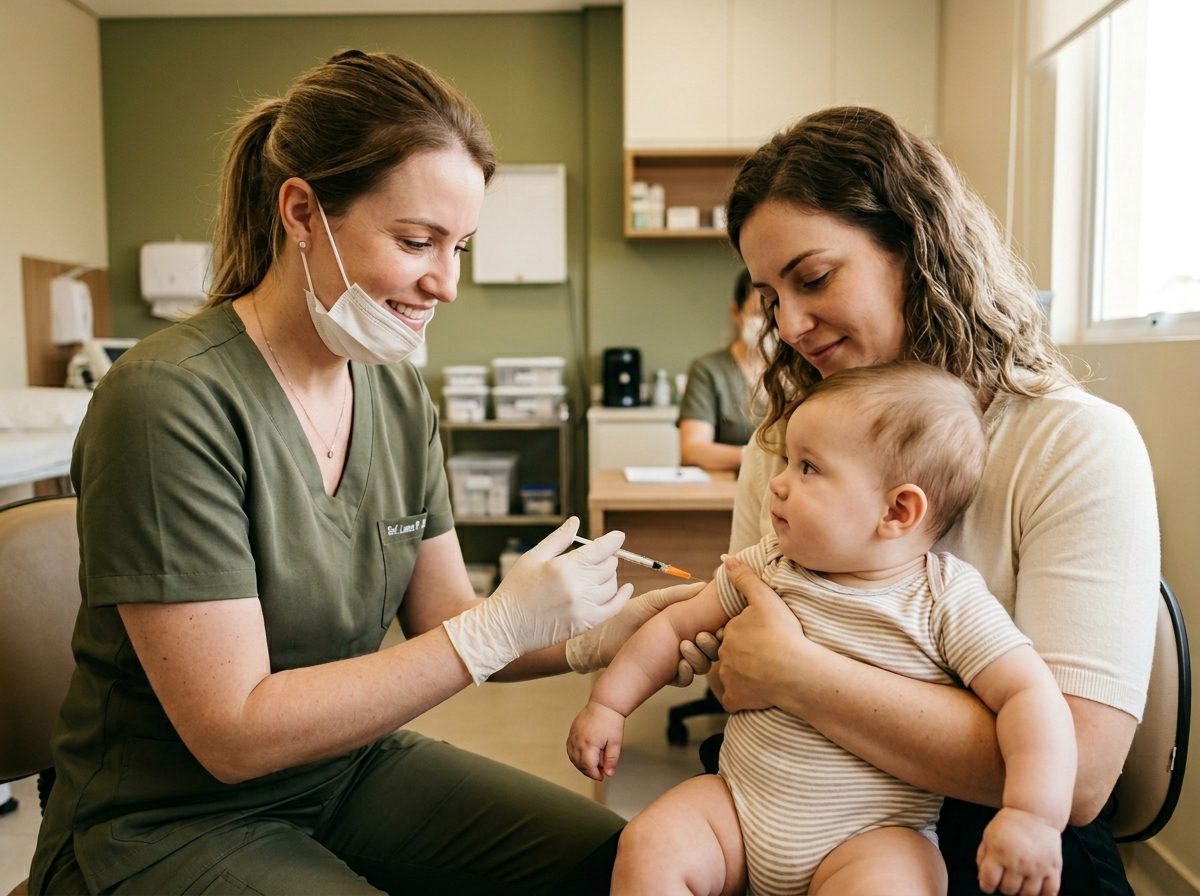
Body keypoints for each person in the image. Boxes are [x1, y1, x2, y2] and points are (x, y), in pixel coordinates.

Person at [27, 50, 704, 896]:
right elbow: (233, 733)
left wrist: (603, 635)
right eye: (417, 242)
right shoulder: (168, 402)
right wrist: (493, 629)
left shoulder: (395, 395)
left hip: (341, 770)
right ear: (302, 212)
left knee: (624, 865)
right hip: (168, 817)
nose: (446, 283)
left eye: (460, 246)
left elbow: (443, 617)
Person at [685, 105, 1158, 896]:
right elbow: (738, 675)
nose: (789, 325)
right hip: (796, 793)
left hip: (1002, 838)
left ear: (917, 247)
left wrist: (799, 674)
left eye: (814, 278)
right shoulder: (785, 443)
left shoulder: (1074, 445)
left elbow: (1076, 775)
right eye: (770, 297)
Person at [570, 361, 1077, 896]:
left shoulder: (946, 599)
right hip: (737, 808)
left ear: (897, 510)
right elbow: (674, 625)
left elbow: (1029, 695)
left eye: (808, 468)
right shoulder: (769, 562)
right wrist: (609, 704)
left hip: (871, 838)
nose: (779, 483)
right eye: (788, 462)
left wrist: (1033, 814)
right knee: (650, 843)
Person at [677, 269, 767, 470]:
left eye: (775, 312)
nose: (770, 324)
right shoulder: (708, 370)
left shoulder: (803, 371)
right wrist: (759, 457)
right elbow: (692, 450)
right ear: (736, 312)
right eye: (759, 314)